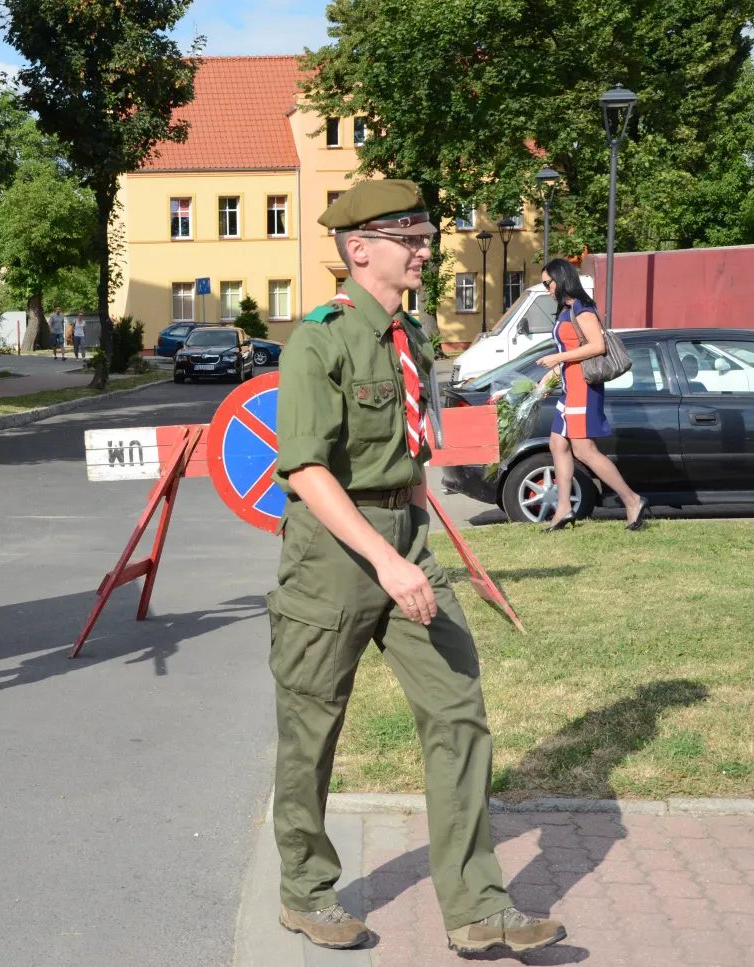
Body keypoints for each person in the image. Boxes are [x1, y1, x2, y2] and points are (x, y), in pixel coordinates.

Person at [270, 181, 565, 956]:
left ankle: (478, 907)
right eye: (412, 238)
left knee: (458, 709)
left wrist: (418, 529)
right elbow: (305, 470)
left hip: (406, 533)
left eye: (427, 235)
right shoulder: (320, 340)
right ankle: (304, 892)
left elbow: (409, 439)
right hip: (334, 550)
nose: (426, 250)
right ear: (359, 248)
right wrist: (384, 559)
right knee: (312, 726)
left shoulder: (413, 336)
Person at [535, 258, 648, 532]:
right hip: (569, 389)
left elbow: (597, 346)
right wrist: (548, 378)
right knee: (557, 445)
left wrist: (557, 358)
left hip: (583, 390)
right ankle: (564, 508)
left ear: (561, 279)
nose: (546, 288)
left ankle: (632, 500)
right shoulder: (567, 309)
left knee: (585, 451)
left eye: (547, 283)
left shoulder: (582, 308)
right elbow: (571, 354)